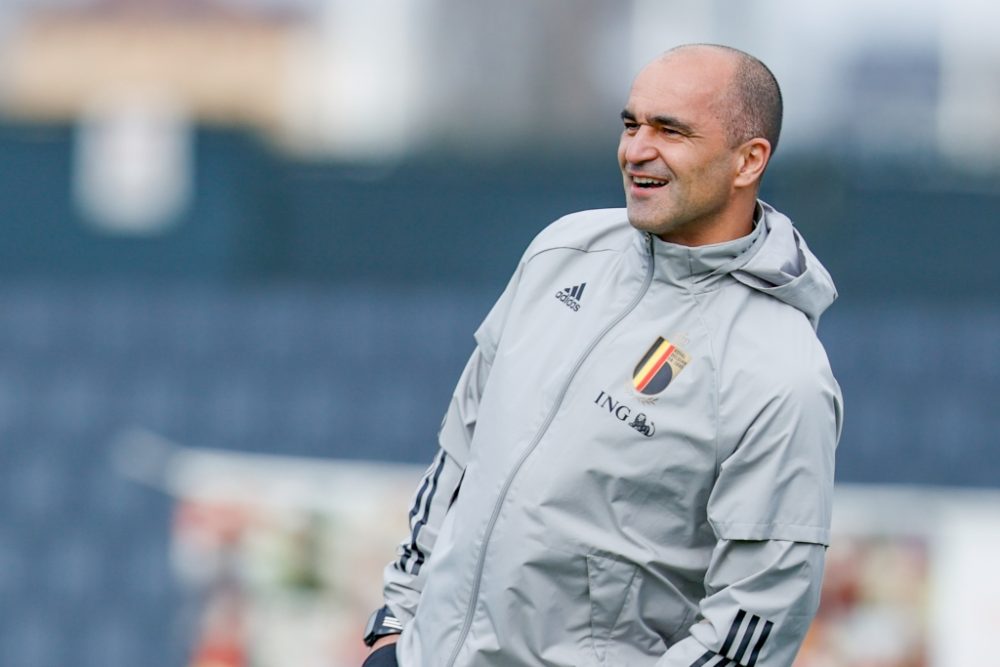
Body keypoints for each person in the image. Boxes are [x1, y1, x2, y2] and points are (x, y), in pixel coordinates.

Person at [361, 43, 843, 667]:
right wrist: (397, 627)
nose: (636, 149)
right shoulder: (559, 251)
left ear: (748, 161)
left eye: (671, 130)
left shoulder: (783, 373)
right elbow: (459, 454)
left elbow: (755, 620)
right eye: (630, 123)